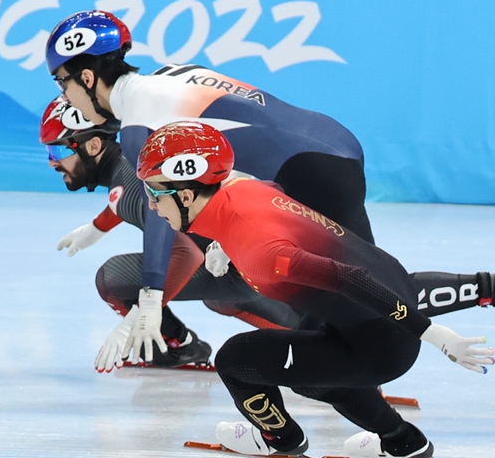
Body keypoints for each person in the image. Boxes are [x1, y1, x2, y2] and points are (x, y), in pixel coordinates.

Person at [44, 10, 495, 369]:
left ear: (87, 76)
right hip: (333, 143)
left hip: (304, 172)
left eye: (62, 84)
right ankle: (486, 292)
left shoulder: (136, 127)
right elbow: (229, 147)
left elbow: (160, 212)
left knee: (346, 289)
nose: (63, 96)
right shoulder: (172, 74)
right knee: (359, 279)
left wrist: (151, 297)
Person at [137, 121, 495, 458]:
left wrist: (432, 333)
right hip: (378, 291)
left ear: (185, 194)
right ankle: (403, 442)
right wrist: (222, 241)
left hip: (383, 335)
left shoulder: (262, 253)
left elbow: (346, 278)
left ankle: (279, 439)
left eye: (154, 193)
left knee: (234, 361)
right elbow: (271, 201)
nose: (151, 205)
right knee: (312, 379)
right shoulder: (244, 190)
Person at [41, 96, 302, 370]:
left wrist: (143, 313)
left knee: (112, 278)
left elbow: (185, 254)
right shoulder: (132, 170)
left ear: (93, 145)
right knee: (221, 298)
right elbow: (136, 206)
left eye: (56, 152)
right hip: (254, 256)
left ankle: (175, 345)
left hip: (242, 261)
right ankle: (310, 335)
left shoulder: (128, 186)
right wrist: (96, 228)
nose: (51, 163)